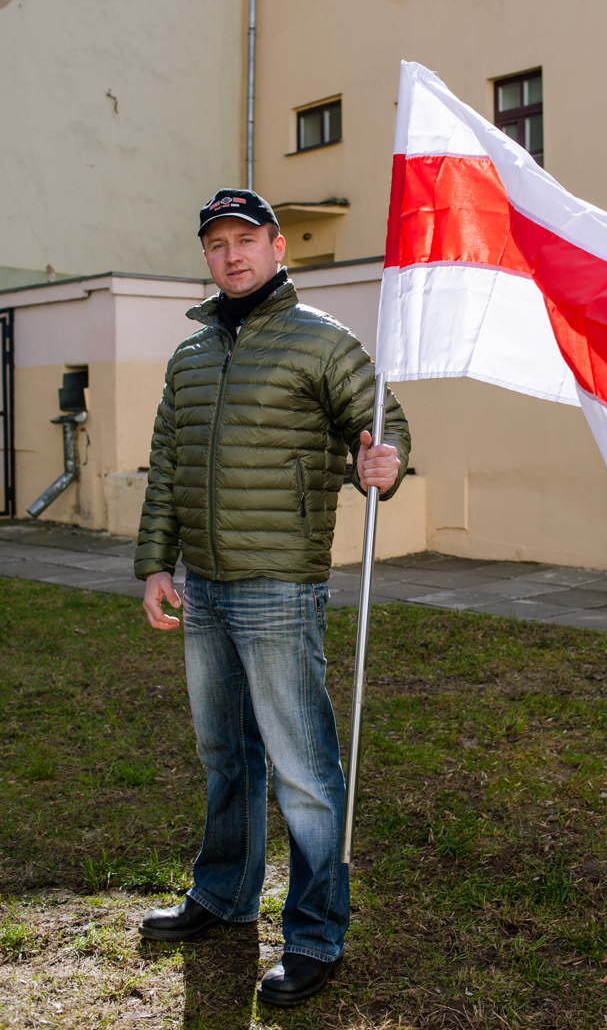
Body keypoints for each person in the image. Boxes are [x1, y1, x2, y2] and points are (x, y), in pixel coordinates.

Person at [133, 188, 410, 1008]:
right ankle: (222, 894)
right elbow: (170, 469)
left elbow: (382, 423)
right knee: (226, 755)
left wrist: (385, 465)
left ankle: (318, 934)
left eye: (245, 239)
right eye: (215, 243)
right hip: (205, 589)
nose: (231, 255)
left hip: (280, 587)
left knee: (303, 772)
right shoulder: (188, 357)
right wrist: (156, 564)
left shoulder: (322, 343)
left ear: (278, 247)